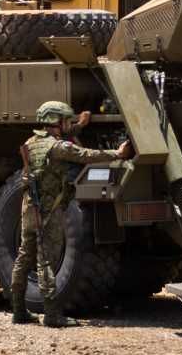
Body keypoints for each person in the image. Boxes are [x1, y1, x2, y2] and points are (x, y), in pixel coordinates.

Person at [11, 101, 131, 329]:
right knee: (46, 259)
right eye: (67, 120)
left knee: (24, 256)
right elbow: (84, 154)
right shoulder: (59, 148)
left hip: (29, 209)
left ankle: (18, 311)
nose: (70, 123)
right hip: (49, 211)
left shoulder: (31, 143)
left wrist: (79, 126)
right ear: (56, 122)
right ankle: (53, 315)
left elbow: (60, 142)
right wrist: (118, 153)